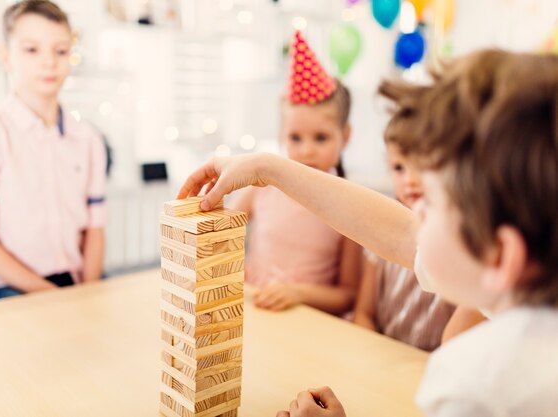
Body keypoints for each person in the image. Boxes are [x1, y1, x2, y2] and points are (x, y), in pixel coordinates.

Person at [179, 50, 558, 416]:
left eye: (435, 203)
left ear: (501, 255)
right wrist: (267, 167)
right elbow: (402, 232)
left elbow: (407, 235)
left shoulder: (477, 388)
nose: (417, 211)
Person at [0, 0, 106, 303]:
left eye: (60, 51)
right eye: (32, 50)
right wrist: (55, 300)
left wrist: (87, 295)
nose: (49, 62)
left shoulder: (87, 139)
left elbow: (95, 229)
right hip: (7, 287)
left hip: (75, 283)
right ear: (7, 57)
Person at [230, 31, 362, 314]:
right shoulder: (261, 186)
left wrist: (299, 294)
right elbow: (224, 231)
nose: (307, 151)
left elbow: (348, 295)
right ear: (281, 136)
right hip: (253, 313)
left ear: (345, 136)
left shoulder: (351, 206)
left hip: (311, 327)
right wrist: (231, 271)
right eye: (295, 138)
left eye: (321, 138)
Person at [353, 142, 455, 351]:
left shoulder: (459, 243)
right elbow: (363, 313)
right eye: (399, 168)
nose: (410, 179)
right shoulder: (378, 234)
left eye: (423, 167)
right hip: (385, 356)